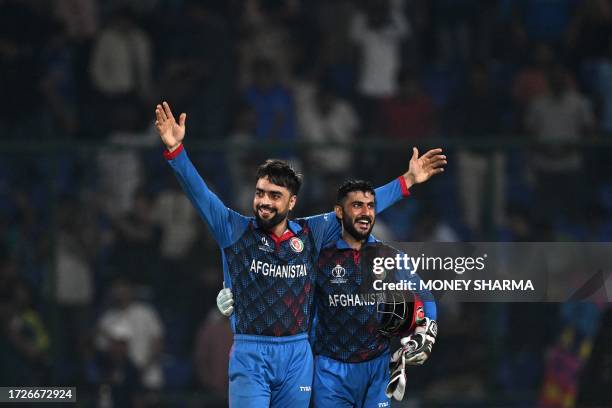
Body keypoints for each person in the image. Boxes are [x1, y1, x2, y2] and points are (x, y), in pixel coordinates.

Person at [155, 101, 446, 408]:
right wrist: (176, 152)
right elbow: (199, 194)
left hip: (298, 355)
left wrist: (408, 180)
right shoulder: (234, 229)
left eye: (274, 196)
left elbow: (359, 209)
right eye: (260, 193)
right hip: (251, 352)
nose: (264, 202)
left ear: (291, 202)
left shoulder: (311, 234)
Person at [218, 180, 438, 407]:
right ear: (339, 212)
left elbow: (426, 296)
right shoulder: (318, 257)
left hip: (378, 369)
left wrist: (428, 330)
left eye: (371, 206)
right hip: (330, 372)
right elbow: (278, 283)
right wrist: (234, 295)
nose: (365, 213)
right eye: (357, 206)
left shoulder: (391, 257)